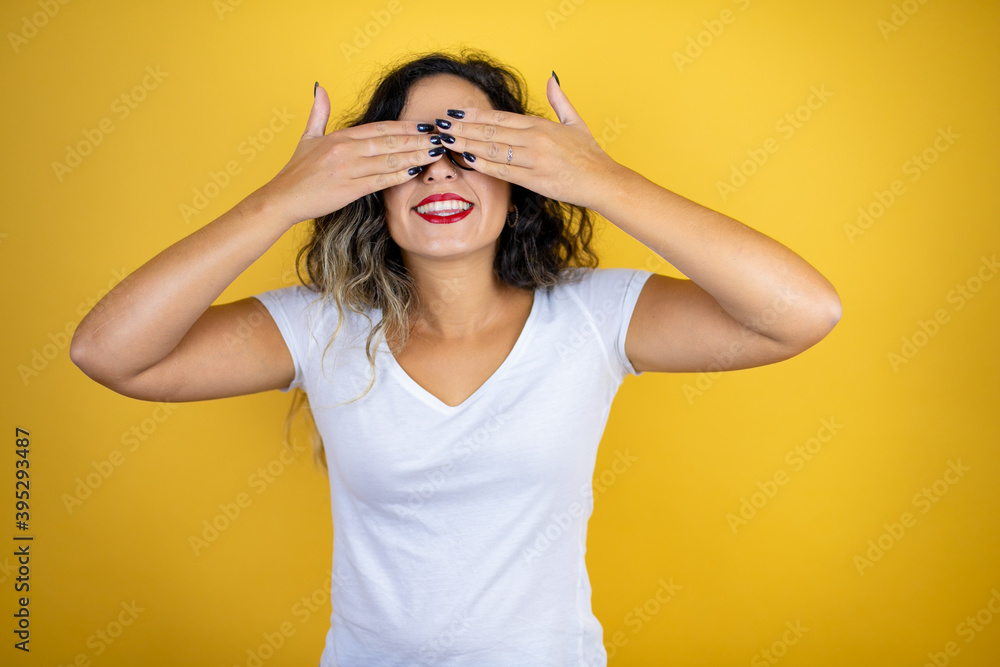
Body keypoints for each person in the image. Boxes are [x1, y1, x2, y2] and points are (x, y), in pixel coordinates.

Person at [70, 50, 841, 666]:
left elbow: (803, 312)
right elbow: (109, 353)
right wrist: (280, 199)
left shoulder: (592, 315)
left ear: (520, 179)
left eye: (471, 146)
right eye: (412, 150)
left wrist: (600, 180)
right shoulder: (323, 328)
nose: (440, 169)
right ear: (368, 185)